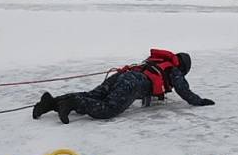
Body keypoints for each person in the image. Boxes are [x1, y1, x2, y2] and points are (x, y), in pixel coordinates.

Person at [32, 49, 215, 124]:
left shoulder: (156, 62)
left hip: (123, 75)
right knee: (107, 109)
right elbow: (183, 90)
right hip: (133, 83)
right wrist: (199, 101)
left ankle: (50, 103)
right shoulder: (174, 69)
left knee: (93, 95)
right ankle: (70, 102)